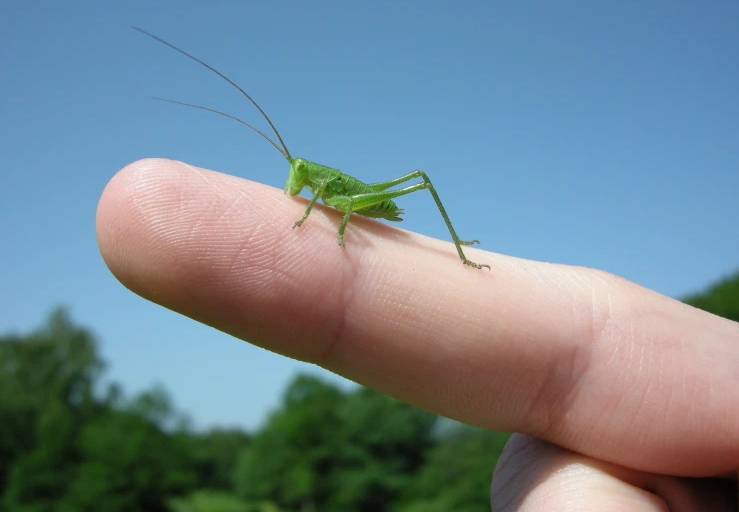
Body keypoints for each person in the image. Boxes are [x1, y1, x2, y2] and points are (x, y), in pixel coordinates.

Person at [97, 159, 738, 511]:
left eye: (299, 175)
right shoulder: (304, 182)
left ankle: (459, 250)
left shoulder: (333, 194)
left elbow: (338, 206)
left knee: (421, 174)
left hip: (373, 202)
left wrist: (340, 225)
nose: (295, 184)